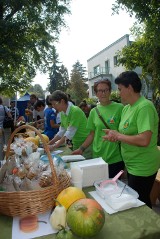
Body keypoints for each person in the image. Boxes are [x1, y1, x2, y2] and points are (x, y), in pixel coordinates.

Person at [102, 71, 160, 208]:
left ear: (129, 88)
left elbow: (144, 140)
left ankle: (149, 228)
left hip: (143, 165)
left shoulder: (144, 107)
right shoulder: (126, 108)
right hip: (132, 164)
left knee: (140, 203)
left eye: (120, 89)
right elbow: (127, 135)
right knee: (139, 200)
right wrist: (114, 136)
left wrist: (118, 135)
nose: (118, 93)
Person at [72, 79, 124, 178]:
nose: (103, 93)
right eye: (100, 90)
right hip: (98, 156)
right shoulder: (93, 112)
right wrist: (81, 148)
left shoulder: (120, 108)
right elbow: (92, 134)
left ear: (110, 91)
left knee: (113, 188)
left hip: (116, 157)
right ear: (95, 93)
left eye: (106, 90)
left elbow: (124, 131)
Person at [48, 90, 92, 158]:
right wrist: (50, 143)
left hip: (86, 145)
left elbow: (69, 133)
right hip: (76, 144)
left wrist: (54, 146)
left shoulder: (75, 111)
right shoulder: (62, 113)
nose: (53, 107)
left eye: (54, 104)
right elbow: (61, 131)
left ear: (62, 101)